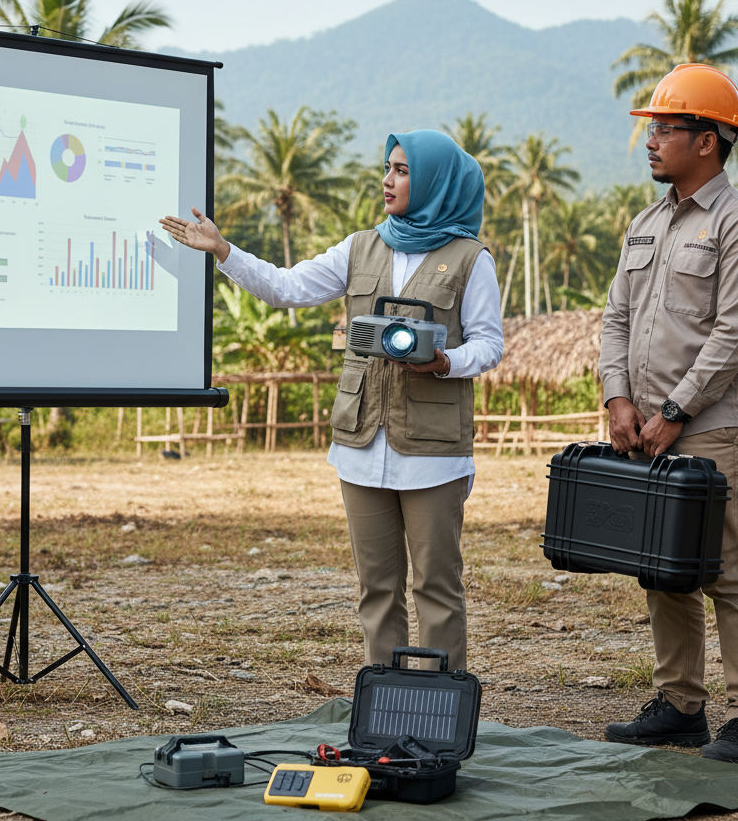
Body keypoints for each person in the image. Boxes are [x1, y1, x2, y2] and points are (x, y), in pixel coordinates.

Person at [160, 130, 503, 670]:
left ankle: (436, 718)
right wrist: (223, 251)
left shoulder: (469, 257)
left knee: (436, 588)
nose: (387, 180)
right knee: (376, 589)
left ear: (436, 181)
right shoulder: (362, 245)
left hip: (433, 452)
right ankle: (382, 714)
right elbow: (285, 288)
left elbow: (489, 344)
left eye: (403, 171)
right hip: (360, 446)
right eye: (387, 168)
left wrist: (444, 361)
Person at [600, 63, 738, 761]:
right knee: (662, 566)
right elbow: (615, 319)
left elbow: (733, 331)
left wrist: (679, 408)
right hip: (645, 430)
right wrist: (617, 398)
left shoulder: (734, 222)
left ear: (709, 141)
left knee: (728, 570)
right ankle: (680, 705)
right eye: (651, 129)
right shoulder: (646, 222)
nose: (650, 142)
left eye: (665, 129)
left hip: (712, 427)